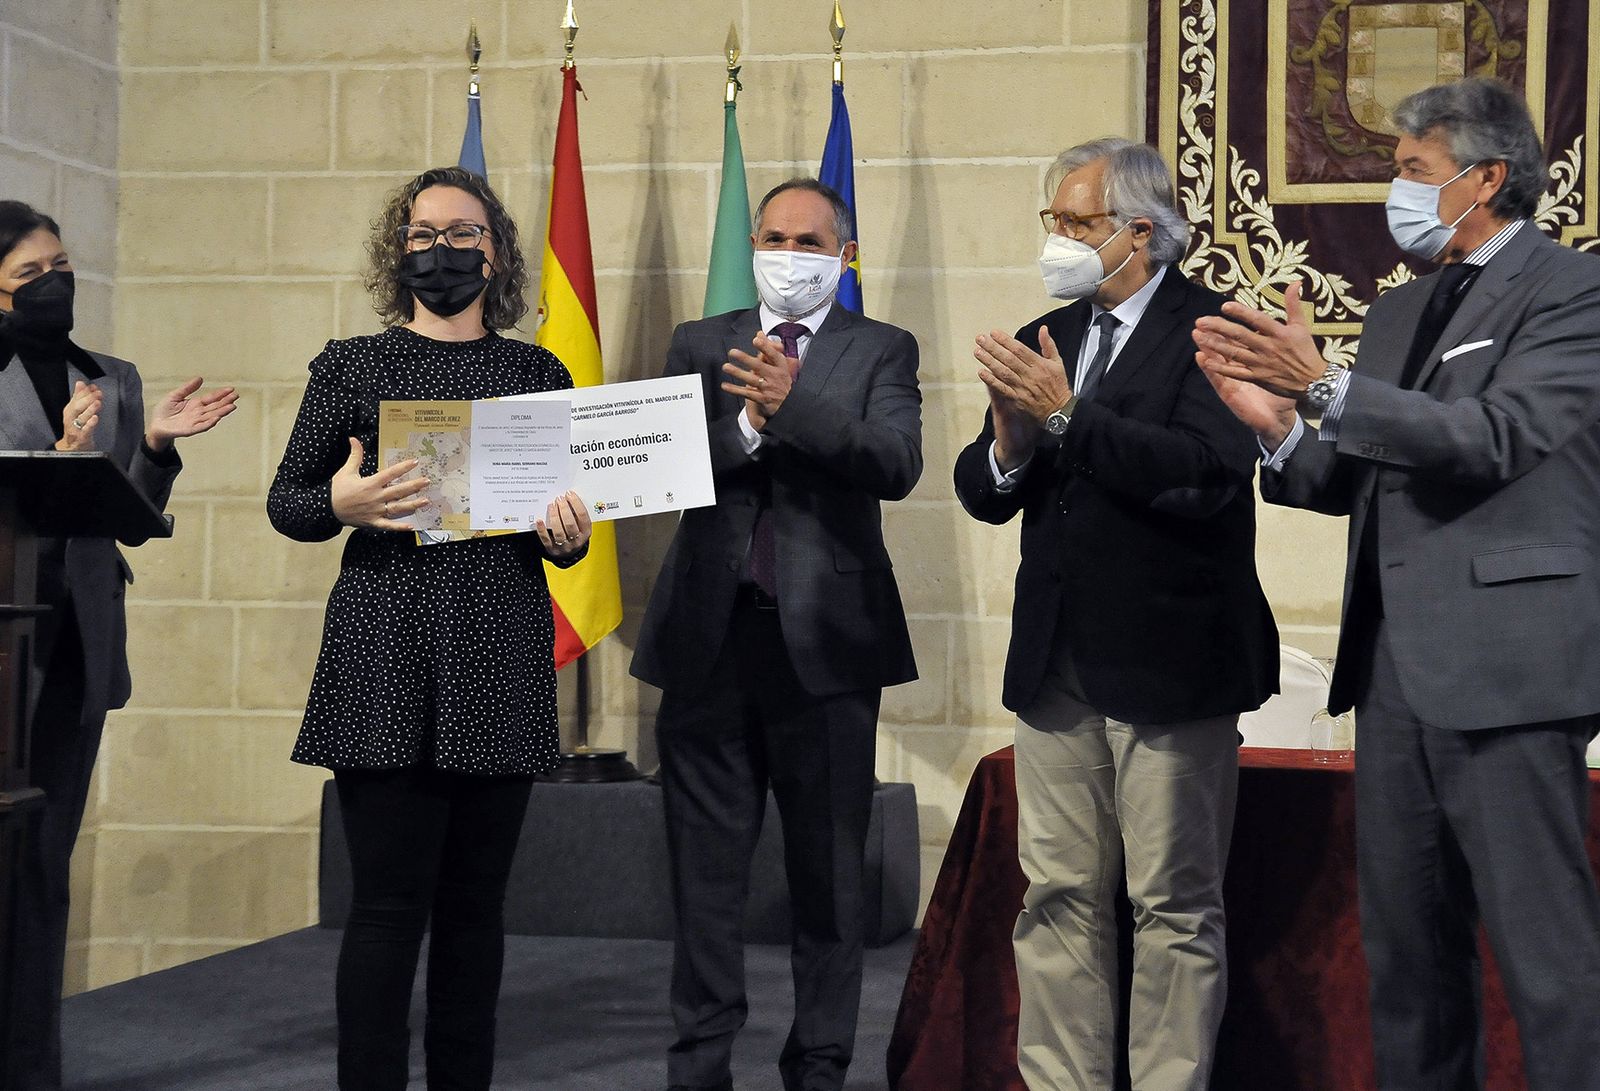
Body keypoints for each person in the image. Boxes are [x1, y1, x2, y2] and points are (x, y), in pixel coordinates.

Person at [1193, 76, 1600, 1090]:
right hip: (1393, 674)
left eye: (1413, 170)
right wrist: (1276, 422)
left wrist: (1324, 386)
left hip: (1508, 670)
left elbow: (1493, 438)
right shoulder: (1402, 306)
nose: (1396, 189)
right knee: (1407, 958)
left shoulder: (1572, 291)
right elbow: (1348, 476)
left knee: (1547, 963)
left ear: (1487, 177)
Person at [953, 139, 1278, 1091]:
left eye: (1077, 223)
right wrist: (1012, 444)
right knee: (1056, 895)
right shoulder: (1047, 330)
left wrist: (1064, 418)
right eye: (1053, 221)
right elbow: (985, 487)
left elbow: (1205, 474)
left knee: (1173, 903)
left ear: (1141, 232)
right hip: (1057, 665)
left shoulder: (1215, 328)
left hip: (1172, 662)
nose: (1058, 239)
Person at [267, 166, 593, 1091]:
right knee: (384, 908)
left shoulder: (538, 371)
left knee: (475, 911)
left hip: (499, 647)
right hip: (384, 650)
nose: (439, 248)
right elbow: (289, 502)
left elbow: (561, 531)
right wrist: (340, 498)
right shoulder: (352, 366)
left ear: (496, 251)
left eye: (462, 232)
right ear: (396, 250)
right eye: (420, 233)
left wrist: (568, 538)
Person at [630, 177, 921, 1091]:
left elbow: (896, 462)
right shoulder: (700, 341)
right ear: (753, 243)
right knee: (705, 881)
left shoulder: (881, 349)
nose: (789, 253)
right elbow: (663, 465)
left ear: (841, 254)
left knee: (830, 878)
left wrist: (796, 405)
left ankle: (821, 1065)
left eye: (809, 240)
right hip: (708, 642)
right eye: (774, 236)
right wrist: (751, 427)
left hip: (828, 650)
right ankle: (700, 1064)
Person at [0, 200, 237, 1091]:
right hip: (0, 649)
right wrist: (59, 459)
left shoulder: (115, 377)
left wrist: (156, 446)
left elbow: (131, 523)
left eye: (61, 265)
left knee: (44, 866)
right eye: (30, 275)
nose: (55, 283)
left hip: (74, 646)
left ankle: (32, 1067)